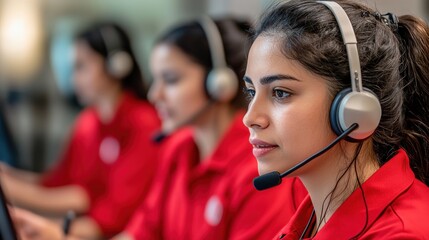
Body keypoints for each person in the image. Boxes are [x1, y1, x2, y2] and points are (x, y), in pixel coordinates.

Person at [243, 0, 429, 239]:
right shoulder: (306, 224)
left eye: (281, 93)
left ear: (354, 109)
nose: (250, 117)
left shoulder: (404, 233)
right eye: (251, 92)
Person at [1, 22, 161, 238]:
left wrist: (48, 231)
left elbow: (111, 216)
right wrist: (10, 176)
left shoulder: (144, 124)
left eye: (81, 67)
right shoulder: (87, 122)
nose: (73, 79)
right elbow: (56, 183)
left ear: (116, 65)